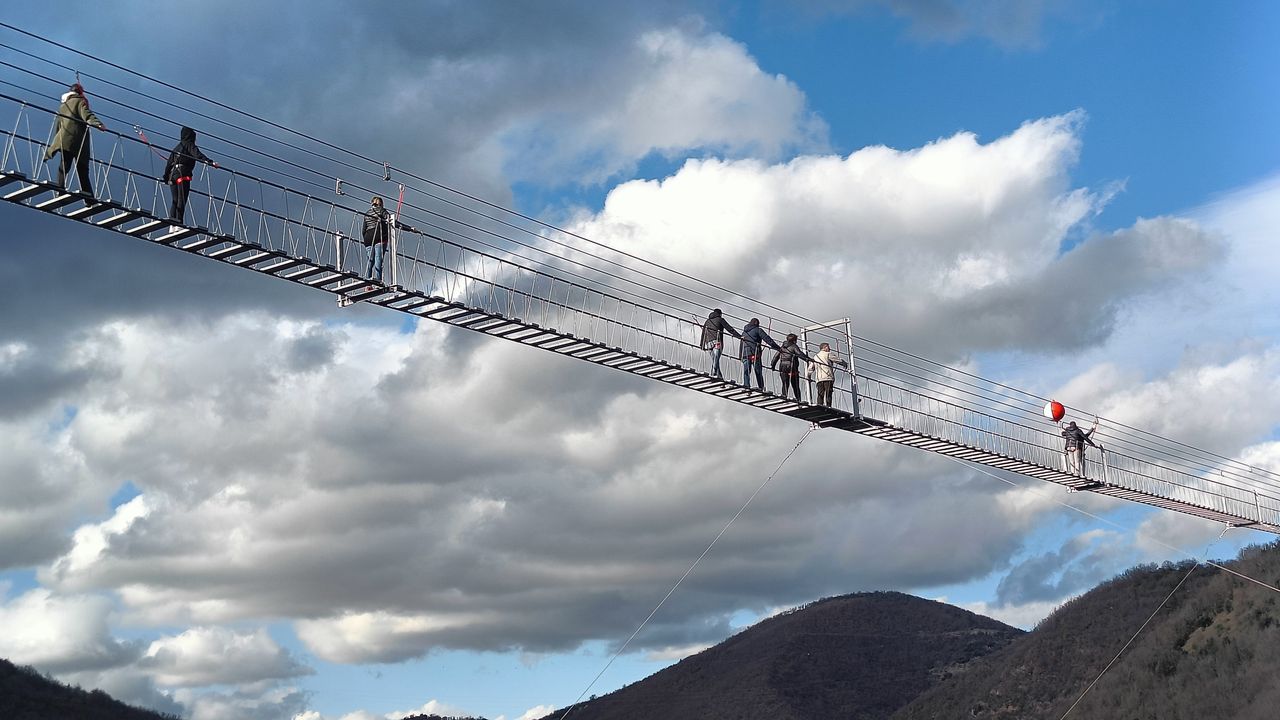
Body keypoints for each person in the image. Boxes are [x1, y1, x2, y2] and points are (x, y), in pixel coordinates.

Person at [43, 83, 106, 195]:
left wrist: (56, 140)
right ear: (79, 92)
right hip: (78, 141)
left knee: (64, 164)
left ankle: (60, 189)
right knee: (82, 170)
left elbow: (58, 125)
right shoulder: (79, 101)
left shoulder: (63, 106)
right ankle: (89, 198)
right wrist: (98, 124)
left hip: (64, 139)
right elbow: (86, 114)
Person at [162, 126, 218, 223]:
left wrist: (166, 177)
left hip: (173, 175)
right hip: (183, 173)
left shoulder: (176, 148)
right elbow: (197, 155)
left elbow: (168, 164)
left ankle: (172, 222)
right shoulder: (189, 145)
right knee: (182, 198)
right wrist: (210, 162)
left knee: (175, 200)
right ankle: (179, 221)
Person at [739, 318, 780, 391]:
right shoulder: (758, 330)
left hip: (745, 354)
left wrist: (740, 356)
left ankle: (746, 386)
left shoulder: (744, 332)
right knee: (758, 371)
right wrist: (777, 348)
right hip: (755, 353)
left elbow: (741, 343)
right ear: (756, 323)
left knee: (747, 371)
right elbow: (767, 339)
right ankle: (761, 387)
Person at [700, 309, 742, 381]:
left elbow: (704, 333)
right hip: (717, 341)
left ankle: (720, 378)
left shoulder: (707, 321)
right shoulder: (720, 319)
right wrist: (739, 336)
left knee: (714, 360)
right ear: (720, 314)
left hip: (708, 343)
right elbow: (730, 329)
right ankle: (712, 374)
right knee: (716, 360)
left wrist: (702, 345)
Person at [770, 333, 812, 401]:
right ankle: (798, 400)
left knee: (785, 384)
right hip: (792, 368)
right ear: (794, 340)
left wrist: (773, 366)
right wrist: (808, 359)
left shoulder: (782, 347)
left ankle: (784, 397)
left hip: (782, 368)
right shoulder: (794, 346)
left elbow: (776, 357)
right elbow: (799, 354)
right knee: (795, 386)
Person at [810, 342, 849, 407]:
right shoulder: (828, 354)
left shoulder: (815, 356)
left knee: (820, 393)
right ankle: (828, 406)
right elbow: (837, 360)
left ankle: (820, 405)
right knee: (828, 393)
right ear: (824, 348)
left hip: (819, 378)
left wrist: (808, 375)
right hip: (828, 377)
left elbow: (811, 368)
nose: (830, 348)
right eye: (828, 347)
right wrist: (844, 363)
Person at [362, 196, 392, 282]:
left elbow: (363, 230)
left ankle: (368, 282)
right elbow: (391, 220)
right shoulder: (382, 211)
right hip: (379, 236)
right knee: (378, 258)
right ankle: (378, 280)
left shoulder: (367, 213)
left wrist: (366, 238)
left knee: (370, 260)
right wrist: (409, 229)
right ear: (381, 204)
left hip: (368, 238)